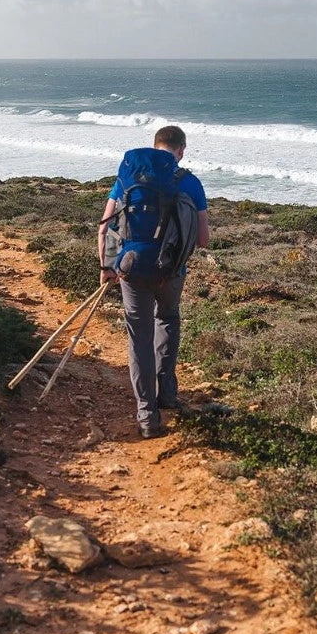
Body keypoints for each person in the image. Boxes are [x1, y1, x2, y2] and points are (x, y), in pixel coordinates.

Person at [97, 125, 209, 439]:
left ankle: (147, 417)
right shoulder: (190, 182)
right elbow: (202, 240)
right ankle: (168, 395)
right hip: (171, 270)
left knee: (139, 337)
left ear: (154, 146)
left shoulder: (127, 178)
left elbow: (104, 228)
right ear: (181, 150)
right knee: (168, 320)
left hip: (130, 268)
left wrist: (106, 268)